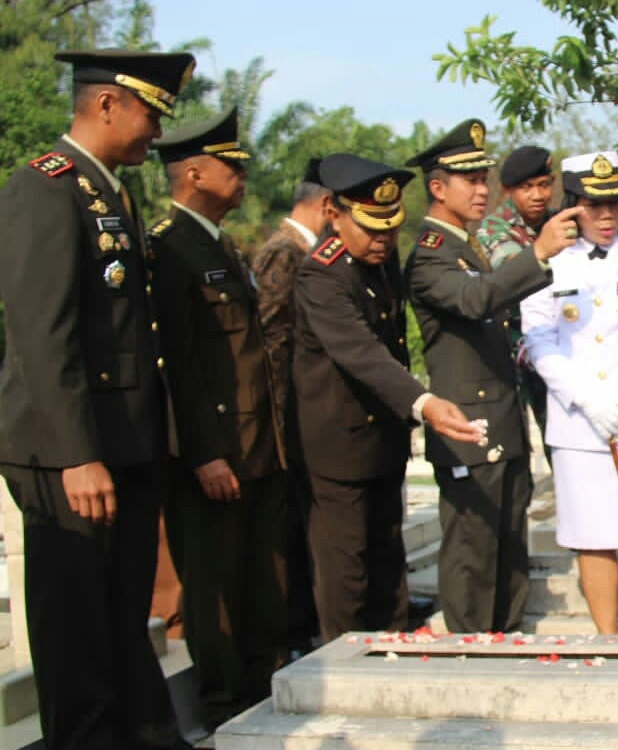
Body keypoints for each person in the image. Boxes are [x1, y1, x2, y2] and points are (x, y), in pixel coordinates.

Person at [0, 49, 195, 750]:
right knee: (78, 642)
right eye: (150, 113)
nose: (156, 131)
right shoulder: (44, 187)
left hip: (124, 445)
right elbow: (41, 335)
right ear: (107, 103)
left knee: (119, 626)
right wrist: (77, 455)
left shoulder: (110, 190)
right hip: (68, 454)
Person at [292, 153, 480, 643]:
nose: (383, 241)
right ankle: (344, 670)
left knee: (387, 564)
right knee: (347, 575)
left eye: (391, 229)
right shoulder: (322, 274)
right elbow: (362, 353)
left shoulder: (378, 260)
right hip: (339, 447)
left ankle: (394, 656)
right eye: (371, 229)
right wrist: (424, 403)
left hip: (382, 440)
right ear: (334, 214)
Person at [404, 119, 580, 633]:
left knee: (509, 555)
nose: (482, 190)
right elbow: (476, 299)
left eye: (485, 179)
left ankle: (505, 653)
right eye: (470, 181)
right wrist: (540, 252)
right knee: (472, 559)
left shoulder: (469, 246)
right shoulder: (431, 255)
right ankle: (469, 666)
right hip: (468, 428)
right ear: (438, 188)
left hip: (499, 419)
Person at [149, 106, 288, 733]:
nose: (238, 175)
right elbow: (176, 366)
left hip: (254, 448)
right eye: (228, 166)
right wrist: (202, 453)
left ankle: (260, 694)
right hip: (213, 454)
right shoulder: (169, 249)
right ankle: (222, 705)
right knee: (214, 592)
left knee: (260, 581)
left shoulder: (219, 245)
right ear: (194, 173)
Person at [520, 151, 618, 634]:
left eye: (614, 203)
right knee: (593, 534)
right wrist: (587, 398)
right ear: (571, 205)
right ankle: (608, 640)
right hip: (577, 417)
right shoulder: (548, 261)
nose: (606, 215)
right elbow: (539, 337)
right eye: (593, 204)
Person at [249, 157, 330, 658]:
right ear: (326, 205)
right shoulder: (285, 253)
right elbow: (273, 342)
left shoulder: (307, 249)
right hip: (290, 412)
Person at [477, 145, 557, 470]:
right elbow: (514, 271)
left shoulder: (560, 222)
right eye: (527, 188)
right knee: (514, 455)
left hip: (556, 350)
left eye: (544, 185)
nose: (538, 195)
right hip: (512, 355)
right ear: (508, 190)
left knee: (562, 446)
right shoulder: (495, 229)